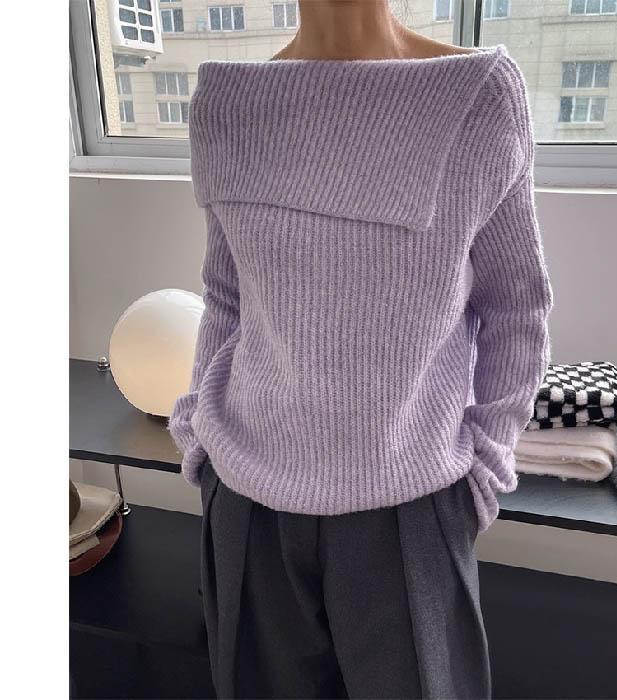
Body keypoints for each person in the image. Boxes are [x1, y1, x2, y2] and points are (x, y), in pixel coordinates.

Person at [168, 1, 554, 698]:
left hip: (411, 506)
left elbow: (516, 304)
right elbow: (226, 294)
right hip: (248, 503)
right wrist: (199, 434)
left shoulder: (475, 96)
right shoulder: (229, 105)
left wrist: (487, 467)